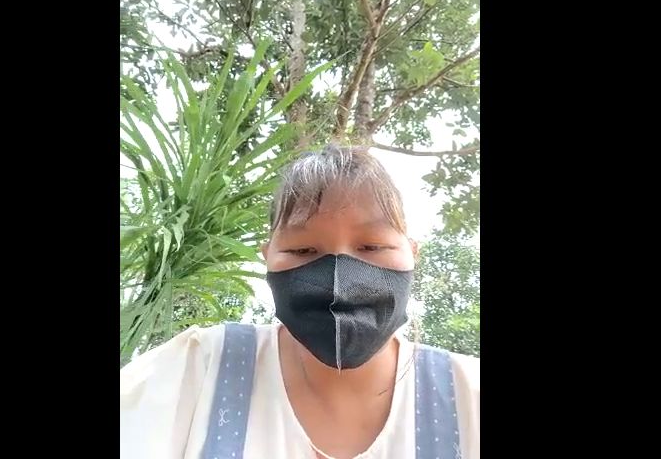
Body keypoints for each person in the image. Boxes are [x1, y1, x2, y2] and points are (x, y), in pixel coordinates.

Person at [120, 145, 480, 459]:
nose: (339, 278)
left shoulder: (469, 395)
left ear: (412, 253)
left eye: (371, 246)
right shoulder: (195, 370)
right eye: (303, 250)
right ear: (268, 257)